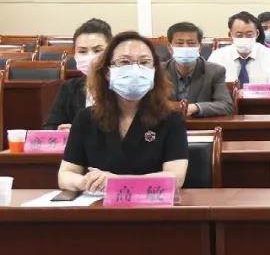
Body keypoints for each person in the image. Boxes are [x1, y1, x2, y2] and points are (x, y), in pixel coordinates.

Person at [58, 31, 188, 192]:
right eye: (124, 62)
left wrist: (116, 182)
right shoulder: (86, 118)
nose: (135, 69)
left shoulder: (171, 118)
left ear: (154, 71)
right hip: (101, 202)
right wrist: (87, 182)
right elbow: (65, 174)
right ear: (107, 72)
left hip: (151, 202)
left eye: (144, 62)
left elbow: (176, 178)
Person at [43, 18, 112, 130]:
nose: (90, 57)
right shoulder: (69, 88)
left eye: (97, 50)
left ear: (111, 52)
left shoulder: (121, 87)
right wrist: (61, 130)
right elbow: (49, 127)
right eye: (83, 51)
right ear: (75, 54)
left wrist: (79, 131)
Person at [208, 11, 270, 94]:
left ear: (257, 34)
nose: (244, 38)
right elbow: (207, 86)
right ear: (230, 35)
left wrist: (248, 92)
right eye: (239, 35)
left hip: (260, 101)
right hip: (225, 101)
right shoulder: (217, 56)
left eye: (249, 35)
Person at [165, 22, 233, 117]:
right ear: (170, 48)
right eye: (180, 43)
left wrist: (196, 107)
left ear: (200, 47)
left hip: (200, 123)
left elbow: (226, 106)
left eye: (191, 43)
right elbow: (149, 104)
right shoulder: (159, 71)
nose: (185, 48)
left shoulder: (215, 71)